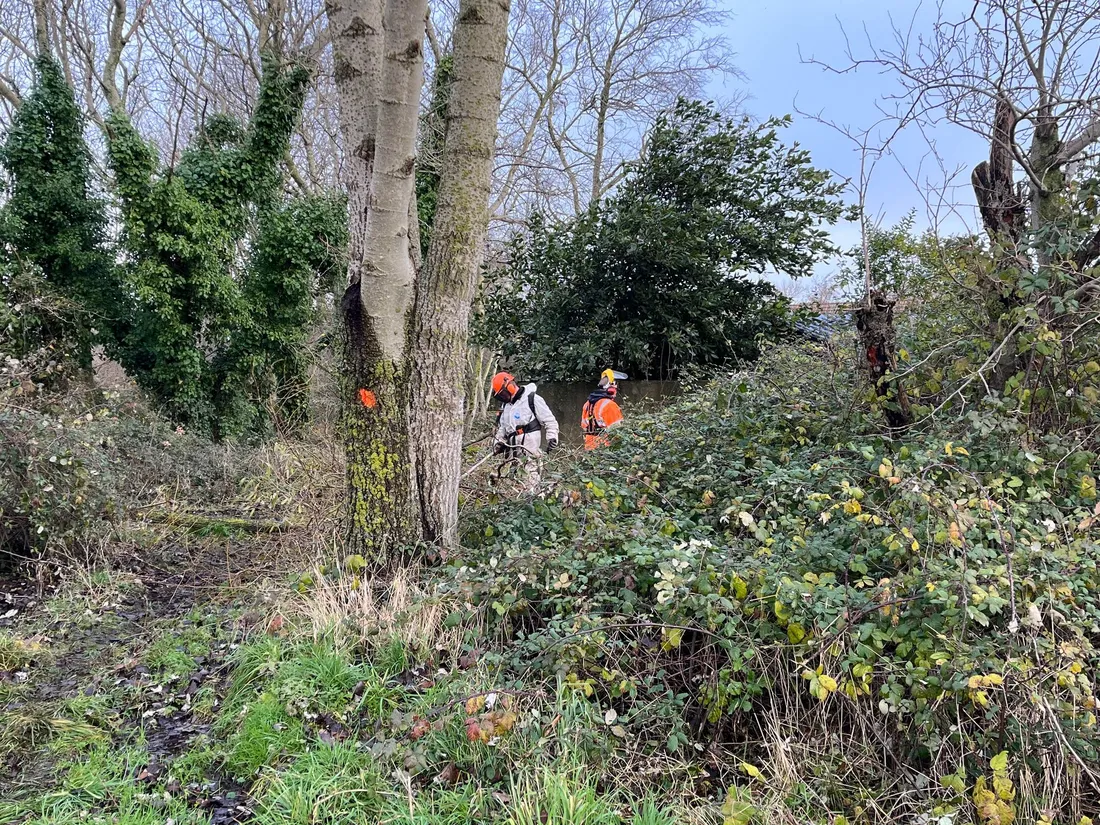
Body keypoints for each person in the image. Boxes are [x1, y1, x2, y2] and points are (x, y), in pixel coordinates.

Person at [491, 371, 559, 491]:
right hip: (512, 449)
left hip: (529, 446)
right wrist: (498, 443)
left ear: (510, 386)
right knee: (511, 481)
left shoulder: (532, 399)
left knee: (530, 477)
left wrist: (552, 437)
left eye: (503, 394)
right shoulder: (506, 407)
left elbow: (549, 420)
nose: (503, 398)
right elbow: (503, 428)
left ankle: (533, 500)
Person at [581, 369, 624, 450]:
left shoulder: (587, 404)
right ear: (611, 389)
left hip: (590, 448)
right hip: (606, 449)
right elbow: (618, 431)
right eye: (615, 388)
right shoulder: (610, 405)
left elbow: (584, 426)